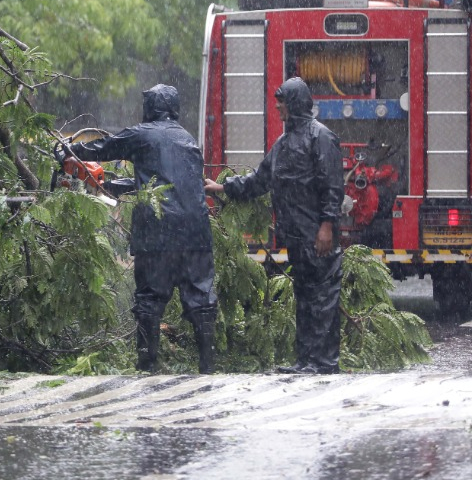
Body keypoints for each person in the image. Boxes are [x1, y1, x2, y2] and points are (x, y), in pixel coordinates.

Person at [65, 84, 217, 373]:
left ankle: (147, 364)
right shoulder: (187, 139)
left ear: (152, 107)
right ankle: (207, 365)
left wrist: (71, 150)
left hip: (158, 232)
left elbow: (106, 148)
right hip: (195, 231)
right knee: (201, 299)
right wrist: (110, 185)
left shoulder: (142, 134)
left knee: (150, 298)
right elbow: (160, 185)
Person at [204, 76, 344, 375]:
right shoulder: (282, 144)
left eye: (281, 101)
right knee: (305, 298)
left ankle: (325, 364)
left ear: (293, 104)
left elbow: (332, 186)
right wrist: (222, 188)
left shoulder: (321, 138)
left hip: (318, 235)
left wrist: (326, 226)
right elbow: (259, 181)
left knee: (324, 300)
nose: (277, 107)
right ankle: (306, 361)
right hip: (296, 237)